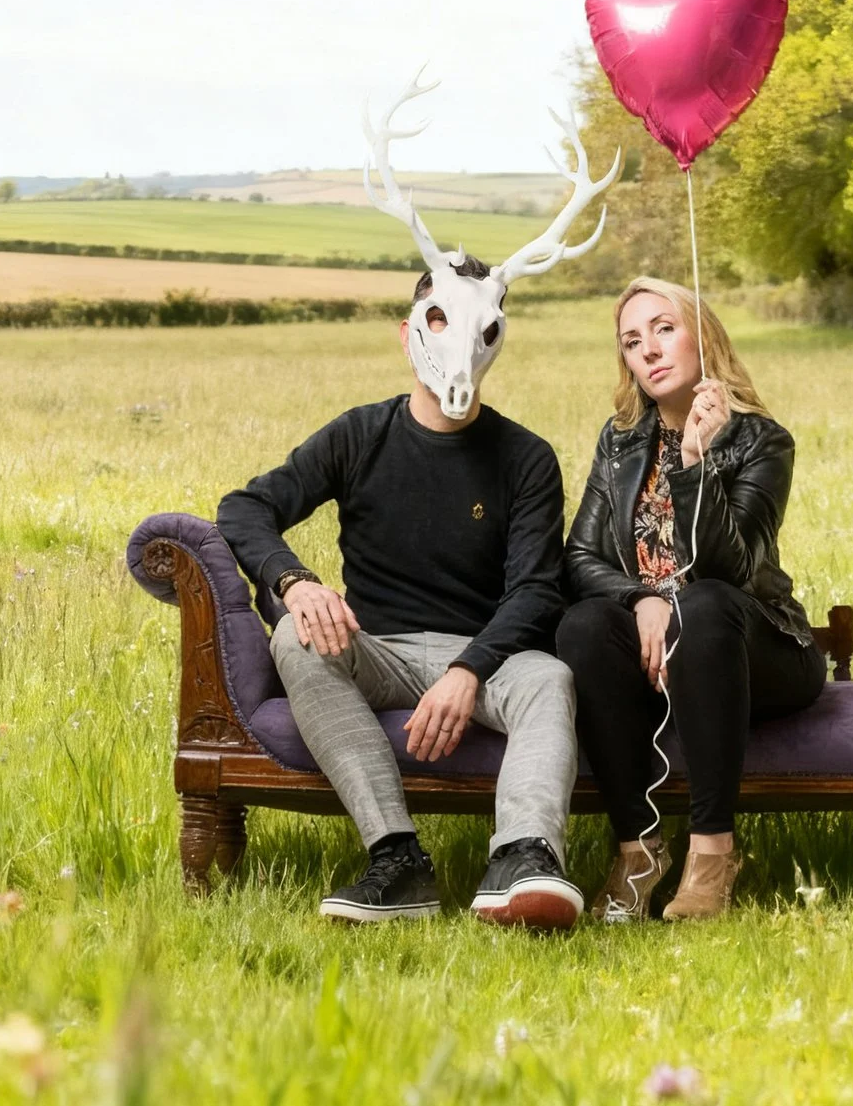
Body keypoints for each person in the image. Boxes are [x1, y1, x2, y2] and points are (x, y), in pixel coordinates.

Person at [215, 275, 582, 930]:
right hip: (377, 650)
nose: (455, 341)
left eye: (476, 327)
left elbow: (535, 589)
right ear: (409, 335)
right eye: (439, 319)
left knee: (550, 676)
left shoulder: (526, 458)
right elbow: (245, 507)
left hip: (486, 656)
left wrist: (468, 669)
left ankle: (525, 861)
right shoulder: (359, 434)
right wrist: (294, 581)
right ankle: (397, 858)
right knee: (294, 637)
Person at [557, 277, 825, 922]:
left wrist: (695, 461)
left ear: (704, 337)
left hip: (753, 648)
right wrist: (640, 599)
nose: (647, 349)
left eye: (664, 328)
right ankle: (637, 853)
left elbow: (730, 573)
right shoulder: (619, 441)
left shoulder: (763, 441)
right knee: (587, 624)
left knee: (702, 605)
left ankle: (712, 856)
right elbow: (579, 559)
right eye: (631, 340)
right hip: (658, 654)